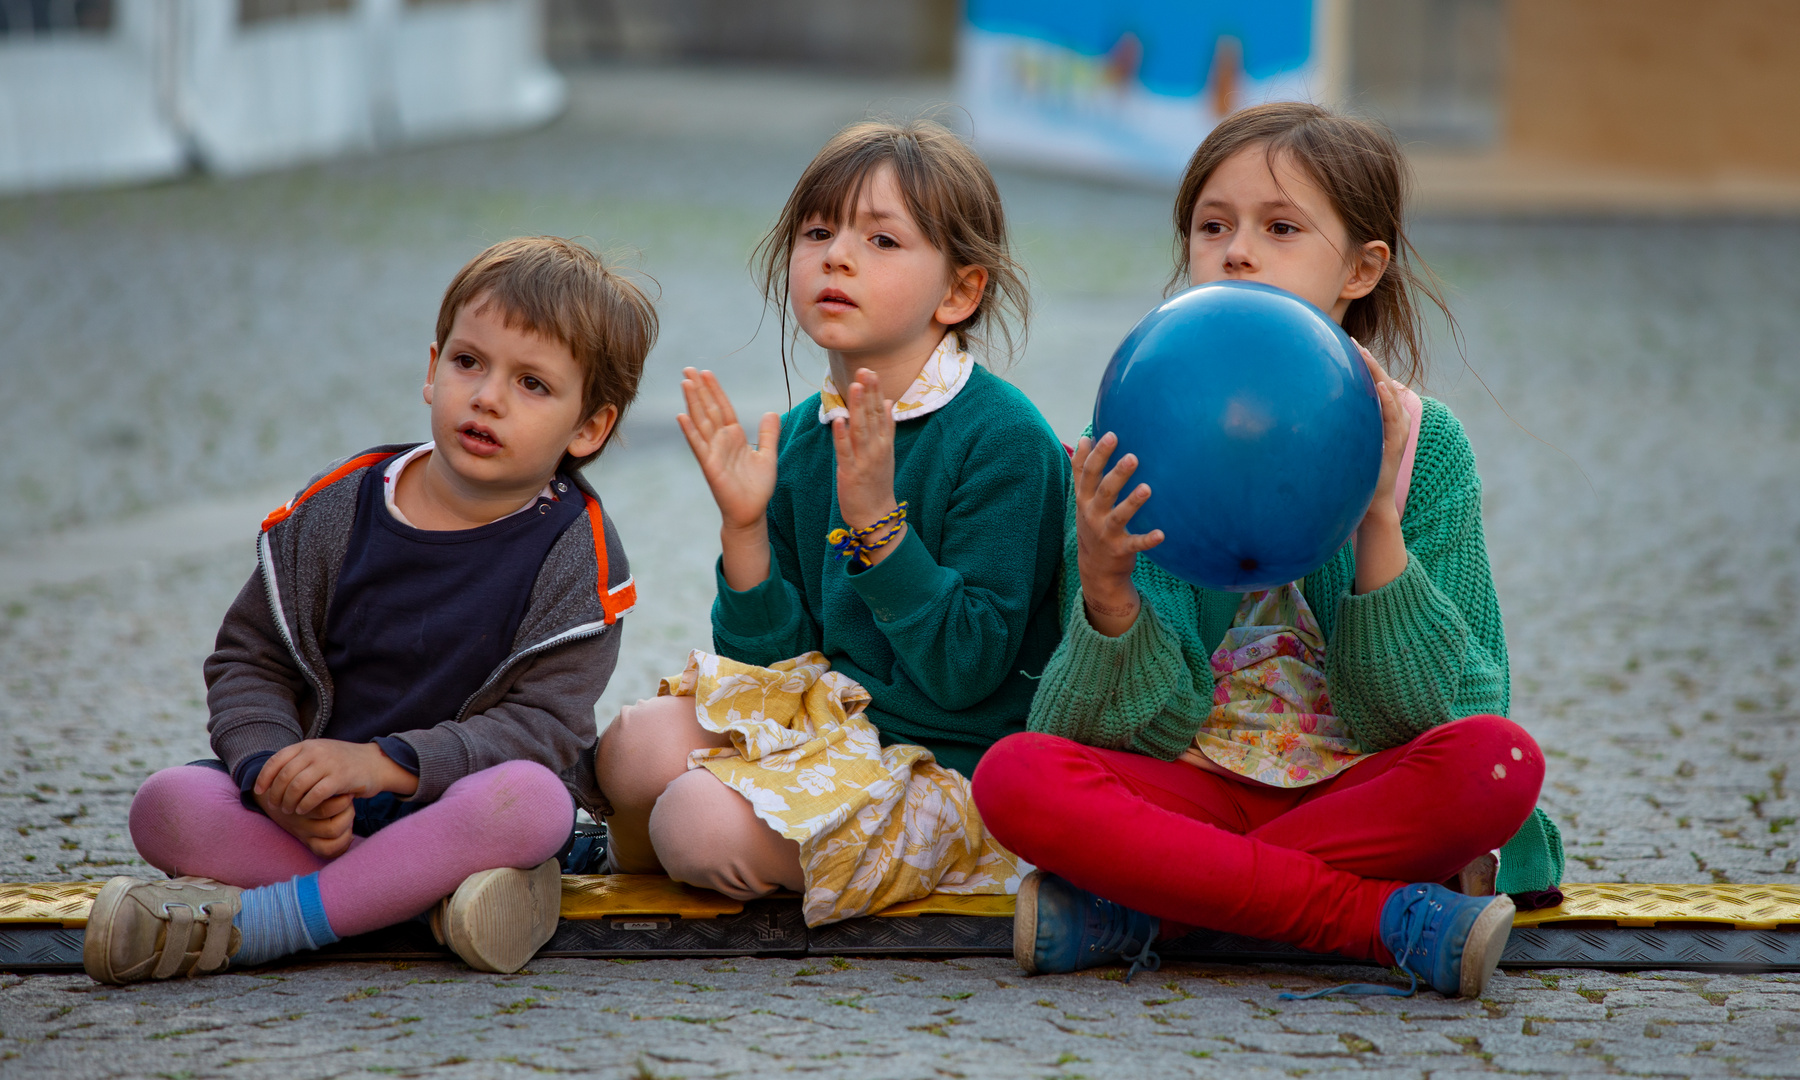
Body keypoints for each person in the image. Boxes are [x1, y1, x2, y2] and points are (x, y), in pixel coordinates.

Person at [970, 102, 1563, 999]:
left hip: (1359, 792)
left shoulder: (1423, 448)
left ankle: (1149, 905)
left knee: (1499, 761)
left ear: (1360, 269)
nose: (1238, 250)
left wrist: (1377, 529)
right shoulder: (1136, 432)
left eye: (1281, 228)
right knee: (1016, 775)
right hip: (1193, 781)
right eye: (1214, 226)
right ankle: (1373, 920)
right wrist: (1107, 589)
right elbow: (1090, 731)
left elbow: (1444, 715)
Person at [84, 237, 654, 984]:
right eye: (468, 362)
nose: (487, 397)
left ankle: (268, 925)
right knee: (167, 803)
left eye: (533, 385)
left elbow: (542, 729)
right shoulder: (338, 508)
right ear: (431, 369)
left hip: (459, 811)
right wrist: (269, 776)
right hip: (318, 821)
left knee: (537, 801)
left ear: (590, 428)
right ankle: (426, 904)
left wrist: (386, 764)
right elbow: (249, 658)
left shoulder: (578, 554)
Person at [594, 119, 1068, 924]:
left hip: (950, 764)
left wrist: (879, 523)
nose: (836, 257)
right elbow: (770, 669)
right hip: (829, 721)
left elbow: (967, 671)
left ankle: (689, 835)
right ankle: (662, 834)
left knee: (690, 821)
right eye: (818, 232)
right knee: (630, 749)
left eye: (883, 240)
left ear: (959, 291)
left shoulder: (1003, 439)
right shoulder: (811, 432)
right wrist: (744, 529)